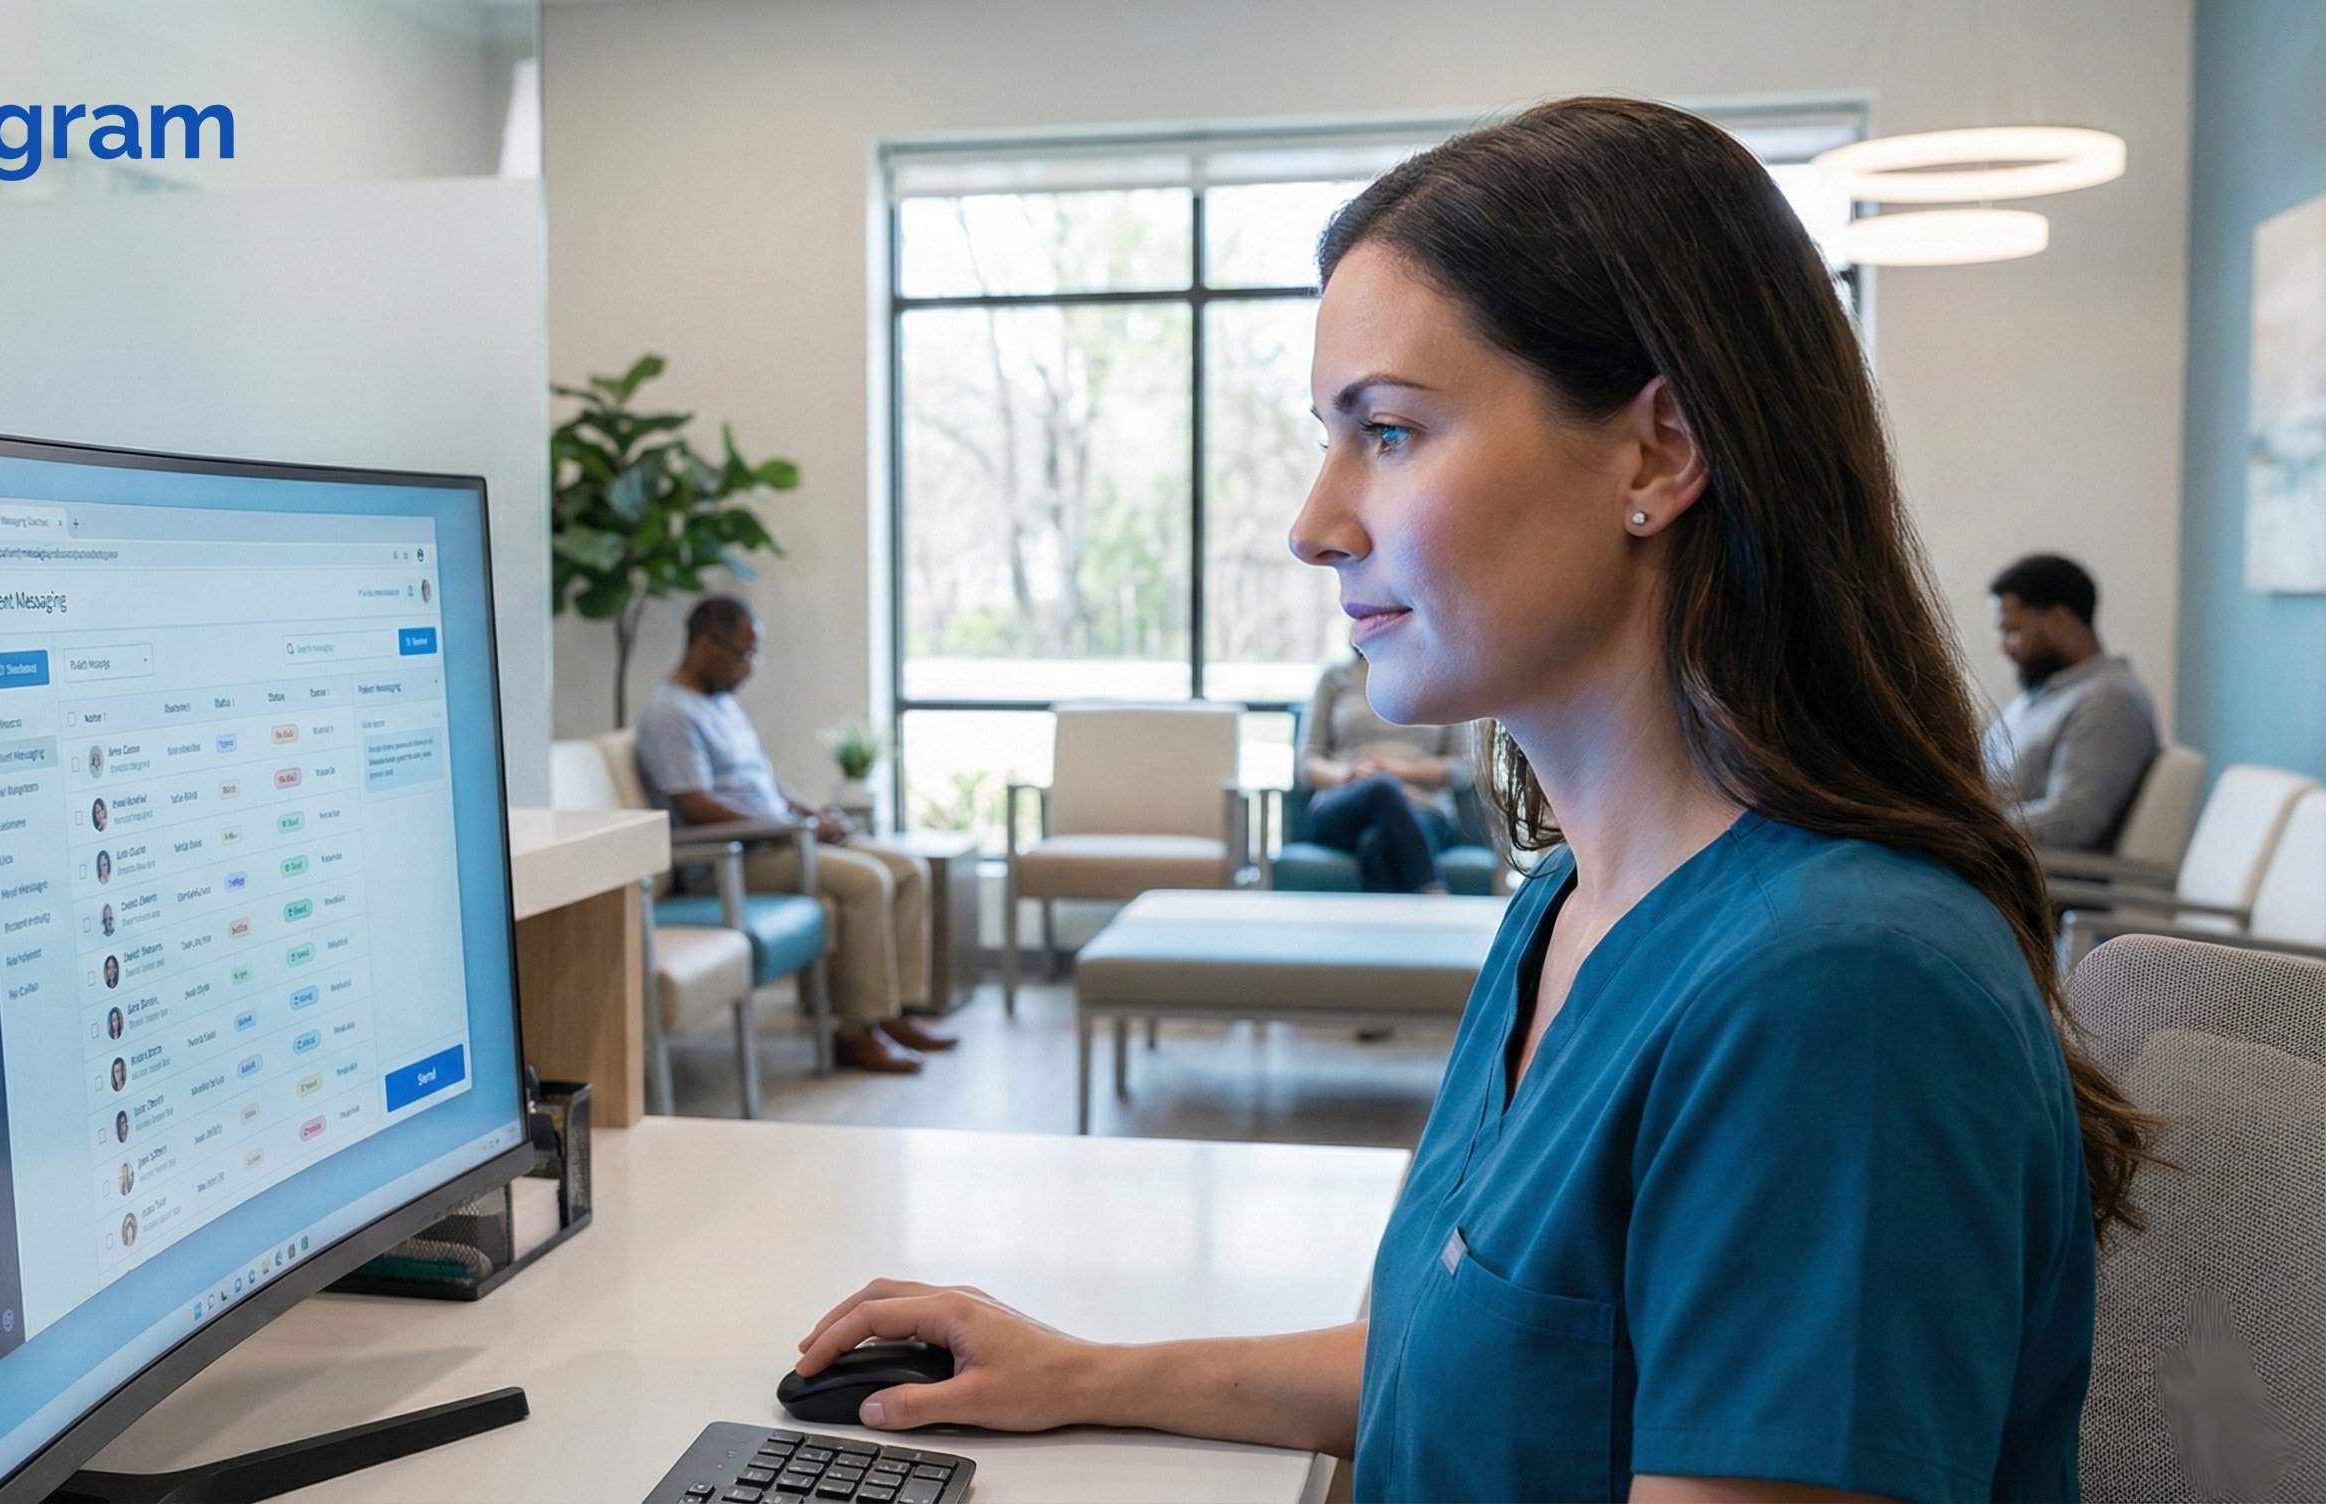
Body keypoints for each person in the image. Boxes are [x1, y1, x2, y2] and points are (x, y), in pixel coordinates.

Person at [792, 98, 2149, 1503]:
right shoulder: (1569, 906)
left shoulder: (1842, 996)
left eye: (1386, 431)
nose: (1316, 522)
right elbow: (1466, 1365)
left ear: (1657, 454)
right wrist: (1081, 1374)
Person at [636, 595, 951, 1074]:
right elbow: (696, 807)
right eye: (744, 654)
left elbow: (762, 782)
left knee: (908, 869)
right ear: (705, 643)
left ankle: (897, 1010)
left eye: (754, 654)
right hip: (729, 858)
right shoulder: (671, 712)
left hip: (779, 840)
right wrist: (793, 827)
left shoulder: (720, 703)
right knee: (867, 881)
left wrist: (811, 811)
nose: (750, 667)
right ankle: (857, 1030)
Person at [1983, 553, 2162, 854]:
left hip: (2030, 878)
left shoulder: (2109, 700)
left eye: (2012, 631)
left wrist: (1966, 827)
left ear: (2059, 619)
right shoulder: (2046, 693)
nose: (2004, 646)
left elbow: (2072, 819)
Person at [1298, 654, 1477, 891]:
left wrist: (1399, 772)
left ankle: (1376, 927)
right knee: (1381, 787)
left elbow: (1463, 769)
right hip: (1345, 803)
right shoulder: (1335, 679)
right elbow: (1307, 763)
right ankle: (1432, 888)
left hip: (1424, 807)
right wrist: (1349, 774)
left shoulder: (1446, 679)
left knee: (1377, 843)